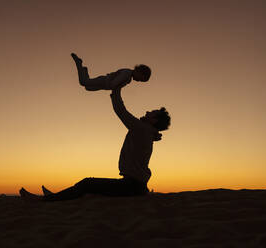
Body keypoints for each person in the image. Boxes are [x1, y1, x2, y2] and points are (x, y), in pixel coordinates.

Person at [19, 84, 171, 201]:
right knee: (91, 188)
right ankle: (56, 197)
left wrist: (116, 89)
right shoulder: (146, 132)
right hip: (134, 185)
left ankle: (44, 200)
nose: (147, 112)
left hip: (132, 186)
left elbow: (120, 111)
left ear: (154, 120)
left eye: (152, 112)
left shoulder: (142, 128)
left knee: (87, 183)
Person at [71, 53, 151, 91]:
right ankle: (79, 63)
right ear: (139, 72)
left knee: (88, 88)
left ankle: (84, 70)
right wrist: (115, 89)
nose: (138, 81)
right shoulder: (127, 73)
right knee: (83, 82)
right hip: (104, 81)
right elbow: (115, 83)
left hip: (104, 85)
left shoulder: (129, 77)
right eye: (140, 79)